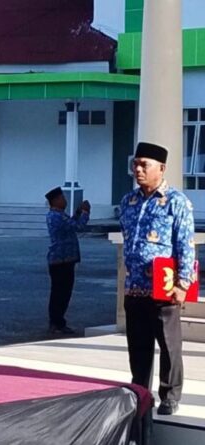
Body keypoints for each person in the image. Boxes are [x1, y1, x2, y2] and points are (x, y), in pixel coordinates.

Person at [119, 142, 195, 416]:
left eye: (144, 165)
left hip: (164, 289)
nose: (138, 170)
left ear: (161, 168)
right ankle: (140, 393)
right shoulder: (128, 201)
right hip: (135, 288)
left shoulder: (177, 201)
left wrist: (183, 284)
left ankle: (170, 396)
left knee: (169, 346)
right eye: (135, 164)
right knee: (138, 347)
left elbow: (185, 244)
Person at [45, 187, 90, 335]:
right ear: (55, 201)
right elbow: (78, 226)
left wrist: (77, 213)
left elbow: (70, 223)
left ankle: (57, 322)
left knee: (61, 292)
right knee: (61, 293)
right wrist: (85, 213)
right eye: (62, 198)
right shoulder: (57, 216)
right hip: (61, 260)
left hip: (63, 259)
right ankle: (56, 322)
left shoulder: (58, 215)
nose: (65, 201)